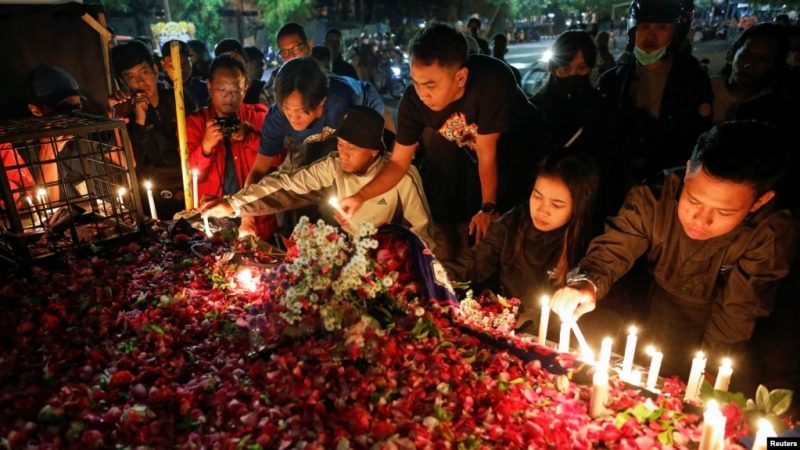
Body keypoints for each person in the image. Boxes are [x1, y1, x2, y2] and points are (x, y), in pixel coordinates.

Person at [548, 121, 798, 386]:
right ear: (688, 171)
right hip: (660, 317)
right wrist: (586, 283)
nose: (701, 219)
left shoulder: (770, 233)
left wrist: (712, 372)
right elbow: (615, 246)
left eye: (723, 212)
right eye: (693, 200)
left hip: (735, 340)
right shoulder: (655, 197)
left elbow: (739, 312)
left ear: (760, 201)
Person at [340, 24, 552, 263]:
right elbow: (399, 163)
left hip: (535, 162)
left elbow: (487, 153)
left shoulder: (491, 79)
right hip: (486, 167)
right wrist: (360, 196)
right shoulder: (413, 101)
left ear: (461, 77)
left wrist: (488, 208)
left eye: (430, 85)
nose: (422, 94)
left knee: (523, 242)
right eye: (416, 82)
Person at [200, 106, 435, 248]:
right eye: (340, 144)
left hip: (392, 265)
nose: (343, 153)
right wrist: (233, 204)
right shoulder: (333, 166)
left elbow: (423, 238)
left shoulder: (403, 178)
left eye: (352, 147)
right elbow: (286, 185)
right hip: (349, 258)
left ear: (374, 150)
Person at [445, 152, 600, 332]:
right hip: (509, 323)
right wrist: (435, 276)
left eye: (557, 204)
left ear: (578, 207)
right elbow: (473, 263)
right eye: (537, 196)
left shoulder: (587, 243)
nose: (542, 210)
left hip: (558, 333)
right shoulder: (511, 224)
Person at [599, 0, 712, 206]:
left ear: (677, 33)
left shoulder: (692, 80)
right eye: (644, 27)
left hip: (665, 191)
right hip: (616, 186)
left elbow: (694, 141)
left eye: (662, 27)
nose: (651, 35)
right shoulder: (612, 80)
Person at [247, 57, 384, 184]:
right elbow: (259, 169)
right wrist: (245, 198)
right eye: (287, 109)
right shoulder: (276, 118)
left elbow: (357, 159)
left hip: (366, 112)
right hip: (321, 135)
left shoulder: (342, 105)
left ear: (322, 101)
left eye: (301, 111)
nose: (293, 117)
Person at [531, 31, 617, 217]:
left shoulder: (602, 109)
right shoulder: (535, 108)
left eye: (582, 68)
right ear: (554, 68)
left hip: (587, 204)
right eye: (565, 68)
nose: (573, 75)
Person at [186, 54, 274, 238]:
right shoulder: (195, 123)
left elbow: (278, 159)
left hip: (255, 218)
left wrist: (250, 136)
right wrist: (206, 147)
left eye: (235, 90)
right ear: (209, 86)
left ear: (245, 88)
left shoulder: (259, 117)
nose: (228, 97)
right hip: (212, 219)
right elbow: (190, 175)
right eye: (221, 89)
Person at [108, 40, 197, 218]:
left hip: (189, 188)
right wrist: (139, 120)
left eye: (144, 72)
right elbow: (133, 162)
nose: (140, 82)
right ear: (122, 82)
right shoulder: (125, 115)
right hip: (153, 199)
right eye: (131, 77)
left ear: (155, 70)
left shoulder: (177, 100)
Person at [710, 23, 790, 124]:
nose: (750, 64)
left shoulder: (776, 111)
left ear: (776, 66)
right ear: (731, 54)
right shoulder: (701, 87)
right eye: (746, 54)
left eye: (763, 59)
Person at [160, 40, 209, 108]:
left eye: (185, 63)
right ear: (163, 65)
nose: (181, 70)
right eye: (174, 65)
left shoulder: (205, 89)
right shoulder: (159, 93)